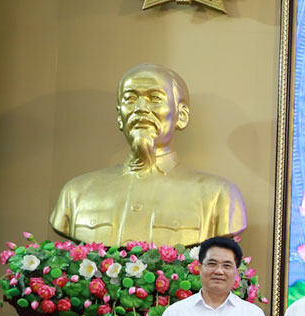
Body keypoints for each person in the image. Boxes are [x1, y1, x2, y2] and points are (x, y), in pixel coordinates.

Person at [50, 63, 245, 246]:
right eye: (130, 99)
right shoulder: (77, 193)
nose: (141, 108)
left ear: (182, 115)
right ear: (120, 116)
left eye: (155, 98)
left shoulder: (218, 196)